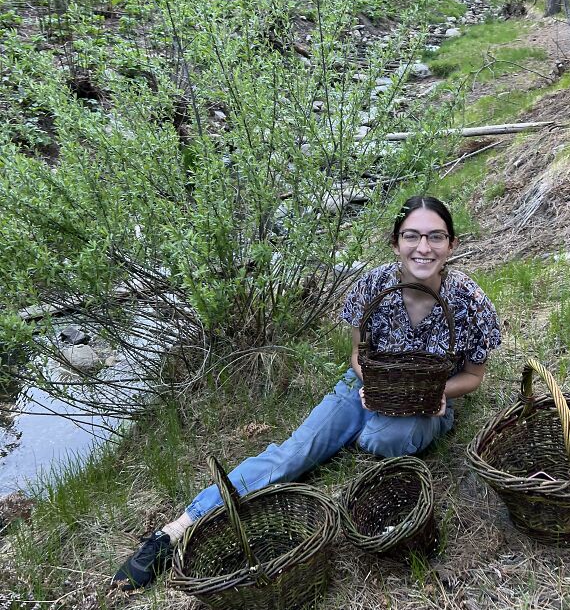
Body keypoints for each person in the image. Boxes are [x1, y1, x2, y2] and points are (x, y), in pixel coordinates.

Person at [112, 196, 501, 588]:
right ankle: (177, 529)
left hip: (426, 402)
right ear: (395, 242)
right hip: (363, 389)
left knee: (383, 438)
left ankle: (366, 435)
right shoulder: (372, 286)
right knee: (294, 455)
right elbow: (357, 356)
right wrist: (373, 384)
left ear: (451, 244)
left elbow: (473, 375)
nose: (423, 248)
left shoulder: (469, 301)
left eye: (436, 237)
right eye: (411, 236)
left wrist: (436, 396)